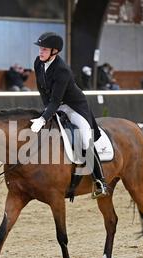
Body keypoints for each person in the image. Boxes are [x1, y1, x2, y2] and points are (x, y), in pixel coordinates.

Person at [30, 32, 108, 198]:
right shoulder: (38, 63)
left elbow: (57, 100)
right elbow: (43, 91)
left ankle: (100, 181)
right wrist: (45, 112)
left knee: (85, 139)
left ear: (55, 51)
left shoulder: (62, 70)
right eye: (40, 49)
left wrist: (44, 118)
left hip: (74, 107)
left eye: (44, 49)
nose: (40, 52)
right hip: (53, 105)